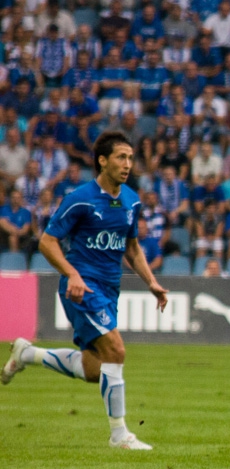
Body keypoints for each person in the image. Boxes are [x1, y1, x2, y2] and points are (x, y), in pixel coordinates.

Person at [2, 132, 168, 450]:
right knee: (116, 351)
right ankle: (119, 434)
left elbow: (132, 247)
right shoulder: (80, 198)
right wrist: (73, 274)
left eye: (131, 158)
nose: (128, 164)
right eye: (121, 157)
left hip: (109, 289)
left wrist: (151, 281)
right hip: (81, 287)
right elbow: (47, 242)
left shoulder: (131, 200)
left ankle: (27, 354)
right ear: (102, 161)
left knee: (94, 370)